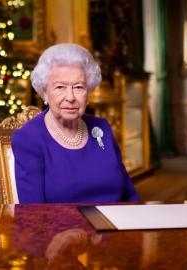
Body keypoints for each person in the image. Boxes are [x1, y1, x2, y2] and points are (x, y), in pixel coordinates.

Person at [11, 43, 140, 203]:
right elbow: (33, 214)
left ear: (88, 92)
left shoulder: (102, 128)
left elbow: (129, 195)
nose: (70, 97)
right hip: (63, 228)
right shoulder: (29, 138)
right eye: (60, 87)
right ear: (45, 92)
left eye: (79, 87)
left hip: (115, 224)